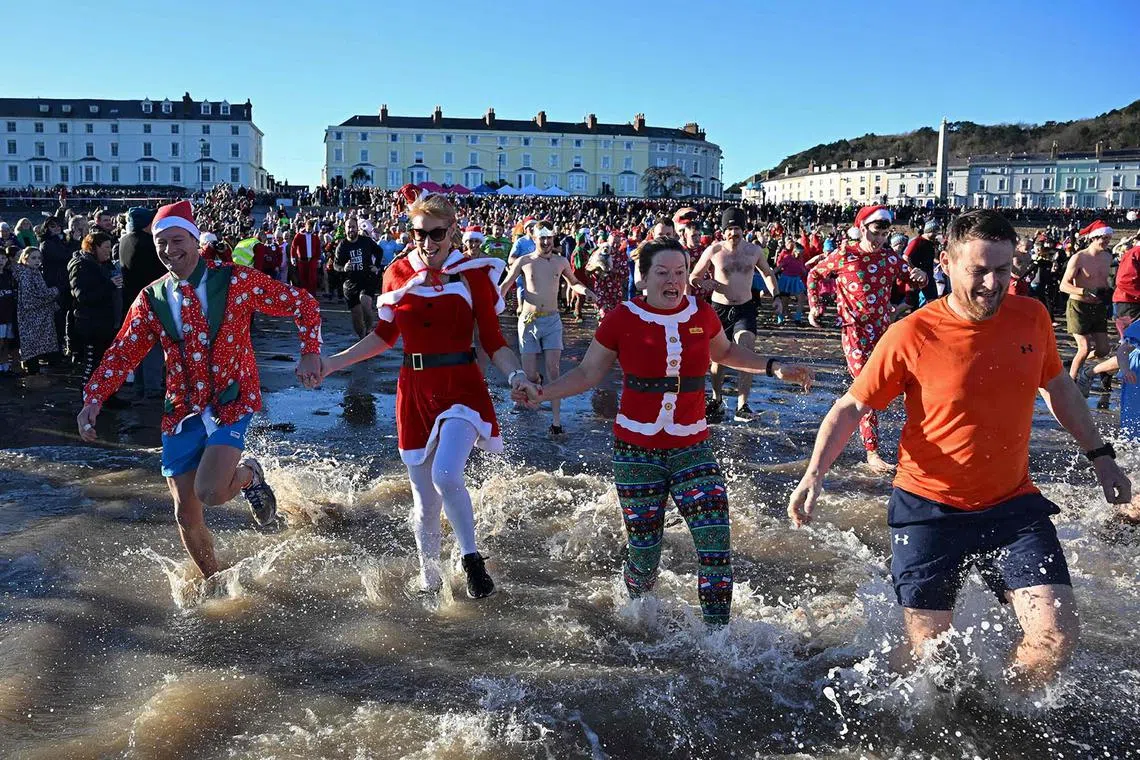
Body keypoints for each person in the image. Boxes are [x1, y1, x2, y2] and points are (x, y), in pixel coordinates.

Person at [789, 210, 1132, 691]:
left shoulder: (1030, 316)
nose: (994, 284)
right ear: (946, 263)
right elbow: (851, 406)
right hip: (928, 508)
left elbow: (1057, 388)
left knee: (1055, 636)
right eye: (979, 270)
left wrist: (1101, 456)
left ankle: (1003, 710)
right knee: (929, 658)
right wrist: (814, 475)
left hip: (1012, 505)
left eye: (1004, 269)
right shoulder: (911, 333)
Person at [523, 239, 813, 626]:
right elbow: (588, 373)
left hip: (692, 447)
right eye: (663, 273)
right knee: (644, 550)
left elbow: (726, 353)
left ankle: (717, 638)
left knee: (715, 545)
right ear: (642, 278)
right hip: (636, 451)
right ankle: (637, 614)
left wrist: (772, 366)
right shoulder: (622, 318)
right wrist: (541, 393)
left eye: (680, 272)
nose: (673, 281)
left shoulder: (702, 313)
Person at [76, 201, 324, 581]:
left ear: (194, 240)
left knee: (210, 491)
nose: (169, 250)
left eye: (177, 240)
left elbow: (302, 303)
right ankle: (213, 580)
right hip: (182, 409)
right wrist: (94, 397)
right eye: (161, 243)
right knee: (184, 512)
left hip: (231, 400)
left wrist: (310, 352)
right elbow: (124, 350)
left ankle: (250, 475)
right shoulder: (152, 298)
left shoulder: (235, 280)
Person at [320, 191, 538, 599]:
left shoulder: (473, 274)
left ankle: (472, 561)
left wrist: (516, 376)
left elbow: (494, 341)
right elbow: (384, 336)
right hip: (414, 389)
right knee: (423, 499)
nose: (427, 241)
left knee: (445, 474)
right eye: (419, 233)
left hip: (461, 385)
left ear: (452, 231)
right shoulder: (397, 273)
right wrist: (332, 363)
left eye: (436, 233)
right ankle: (430, 577)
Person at [806, 205, 927, 473]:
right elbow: (814, 274)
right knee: (866, 388)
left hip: (884, 331)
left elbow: (915, 280)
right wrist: (816, 306)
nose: (881, 237)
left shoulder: (890, 258)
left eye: (885, 232)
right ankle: (872, 451)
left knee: (903, 383)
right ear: (862, 228)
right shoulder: (844, 255)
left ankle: (921, 442)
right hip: (854, 331)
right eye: (876, 231)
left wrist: (921, 276)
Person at [499, 221, 598, 436]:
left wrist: (585, 290)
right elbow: (505, 285)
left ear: (553, 239)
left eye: (549, 238)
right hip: (528, 320)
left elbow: (572, 282)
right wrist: (491, 299)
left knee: (554, 370)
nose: (545, 241)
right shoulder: (524, 261)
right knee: (530, 374)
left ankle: (556, 422)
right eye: (541, 238)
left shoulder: (560, 261)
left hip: (552, 320)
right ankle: (535, 384)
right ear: (533, 239)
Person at [689, 207, 779, 423]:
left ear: (744, 229)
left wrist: (775, 295)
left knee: (746, 347)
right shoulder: (713, 250)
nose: (734, 233)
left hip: (745, 308)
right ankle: (717, 398)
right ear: (723, 231)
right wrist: (703, 282)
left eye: (737, 228)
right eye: (729, 229)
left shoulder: (754, 251)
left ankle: (742, 405)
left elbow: (767, 273)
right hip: (718, 310)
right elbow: (693, 276)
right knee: (718, 358)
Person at [68, 231, 125, 389]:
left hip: (106, 321)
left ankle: (107, 394)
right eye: (106, 247)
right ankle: (88, 397)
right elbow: (82, 296)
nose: (109, 250)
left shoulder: (105, 264)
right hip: (90, 323)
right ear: (94, 248)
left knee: (107, 362)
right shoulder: (81, 266)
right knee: (92, 364)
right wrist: (109, 285)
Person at [1060, 220, 1113, 386]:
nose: (1106, 241)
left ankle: (1076, 363)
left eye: (1108, 238)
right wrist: (1083, 291)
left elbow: (1104, 280)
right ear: (1093, 238)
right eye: (1103, 238)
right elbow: (1063, 285)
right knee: (1084, 347)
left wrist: (1108, 292)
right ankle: (1071, 383)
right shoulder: (1079, 258)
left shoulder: (1107, 257)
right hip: (1078, 306)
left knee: (1104, 349)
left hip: (1097, 307)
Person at [334, 215, 383, 338]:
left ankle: (369, 332)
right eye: (348, 227)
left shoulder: (365, 241)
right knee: (356, 315)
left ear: (357, 228)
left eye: (353, 227)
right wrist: (343, 268)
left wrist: (376, 266)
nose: (351, 230)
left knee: (365, 302)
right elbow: (336, 265)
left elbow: (379, 251)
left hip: (367, 278)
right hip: (350, 282)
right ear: (345, 229)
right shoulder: (342, 246)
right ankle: (362, 338)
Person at [13, 247, 59, 374]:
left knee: (36, 345)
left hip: (38, 316)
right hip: (30, 317)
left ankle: (35, 371)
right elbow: (30, 298)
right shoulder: (26, 274)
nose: (37, 261)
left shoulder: (35, 272)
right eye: (33, 258)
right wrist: (53, 292)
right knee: (32, 346)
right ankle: (33, 372)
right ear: (25, 259)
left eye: (39, 258)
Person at [903, 219, 939, 308]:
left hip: (928, 275)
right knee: (911, 304)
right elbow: (906, 257)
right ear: (928, 231)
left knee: (933, 300)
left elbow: (929, 258)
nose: (936, 234)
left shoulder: (930, 243)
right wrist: (914, 269)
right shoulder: (917, 241)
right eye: (934, 232)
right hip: (917, 277)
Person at [290, 220, 322, 295]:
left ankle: (312, 295)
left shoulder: (314, 235)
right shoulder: (299, 235)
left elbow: (318, 248)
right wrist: (293, 258)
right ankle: (304, 295)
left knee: (312, 278)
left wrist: (318, 260)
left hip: (312, 260)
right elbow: (293, 247)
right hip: (302, 260)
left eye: (311, 228)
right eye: (309, 227)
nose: (310, 229)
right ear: (306, 226)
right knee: (303, 278)